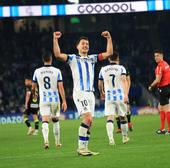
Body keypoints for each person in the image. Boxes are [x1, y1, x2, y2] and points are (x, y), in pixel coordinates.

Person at [53, 31, 113, 156]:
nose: (85, 45)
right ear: (77, 46)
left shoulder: (93, 58)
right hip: (80, 92)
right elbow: (58, 55)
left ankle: (85, 148)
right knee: (87, 119)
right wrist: (55, 39)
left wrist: (109, 38)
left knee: (90, 122)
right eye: (83, 44)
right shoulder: (73, 58)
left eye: (87, 44)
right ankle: (80, 148)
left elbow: (109, 53)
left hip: (91, 93)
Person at [32, 52, 67, 149]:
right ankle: (57, 142)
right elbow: (60, 87)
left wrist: (35, 97)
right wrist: (64, 100)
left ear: (43, 60)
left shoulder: (37, 71)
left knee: (45, 121)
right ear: (51, 59)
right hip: (55, 100)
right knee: (55, 121)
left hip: (43, 100)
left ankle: (46, 141)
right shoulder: (57, 71)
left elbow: (34, 87)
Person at [98, 52, 130, 145]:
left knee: (110, 117)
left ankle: (111, 139)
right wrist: (125, 94)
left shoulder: (103, 69)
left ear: (109, 59)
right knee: (123, 117)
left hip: (109, 96)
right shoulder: (121, 68)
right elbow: (124, 80)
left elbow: (100, 84)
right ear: (118, 58)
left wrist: (102, 92)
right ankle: (124, 138)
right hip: (120, 96)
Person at [149, 50, 170, 134]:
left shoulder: (160, 66)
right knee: (160, 107)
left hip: (163, 89)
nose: (156, 58)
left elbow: (157, 80)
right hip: (168, 87)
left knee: (166, 109)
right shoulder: (166, 64)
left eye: (157, 56)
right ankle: (162, 128)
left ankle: (168, 129)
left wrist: (151, 86)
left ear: (162, 56)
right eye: (155, 56)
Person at [115, 61, 133, 133]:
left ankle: (129, 123)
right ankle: (119, 128)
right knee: (116, 111)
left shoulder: (123, 69)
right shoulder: (109, 70)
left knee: (127, 108)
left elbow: (128, 81)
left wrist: (126, 92)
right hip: (115, 93)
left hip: (123, 92)